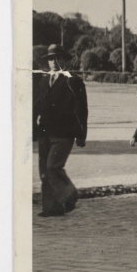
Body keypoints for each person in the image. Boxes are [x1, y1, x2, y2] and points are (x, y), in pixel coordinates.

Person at [33, 44, 88, 217]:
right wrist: (33, 128)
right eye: (50, 59)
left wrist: (81, 134)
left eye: (57, 58)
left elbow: (82, 110)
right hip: (44, 132)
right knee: (44, 172)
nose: (54, 62)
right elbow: (36, 106)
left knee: (53, 166)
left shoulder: (74, 80)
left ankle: (69, 193)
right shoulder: (42, 80)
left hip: (64, 133)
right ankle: (52, 208)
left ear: (64, 59)